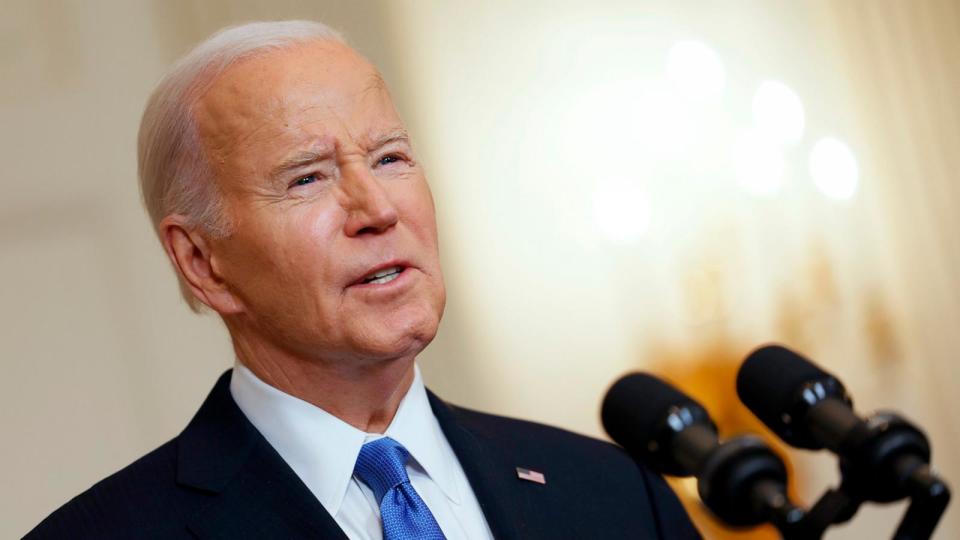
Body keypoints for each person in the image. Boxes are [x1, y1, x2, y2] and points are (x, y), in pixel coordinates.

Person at [26, 20, 699, 539]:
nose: (377, 209)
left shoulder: (613, 494)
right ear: (204, 263)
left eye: (390, 157)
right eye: (308, 177)